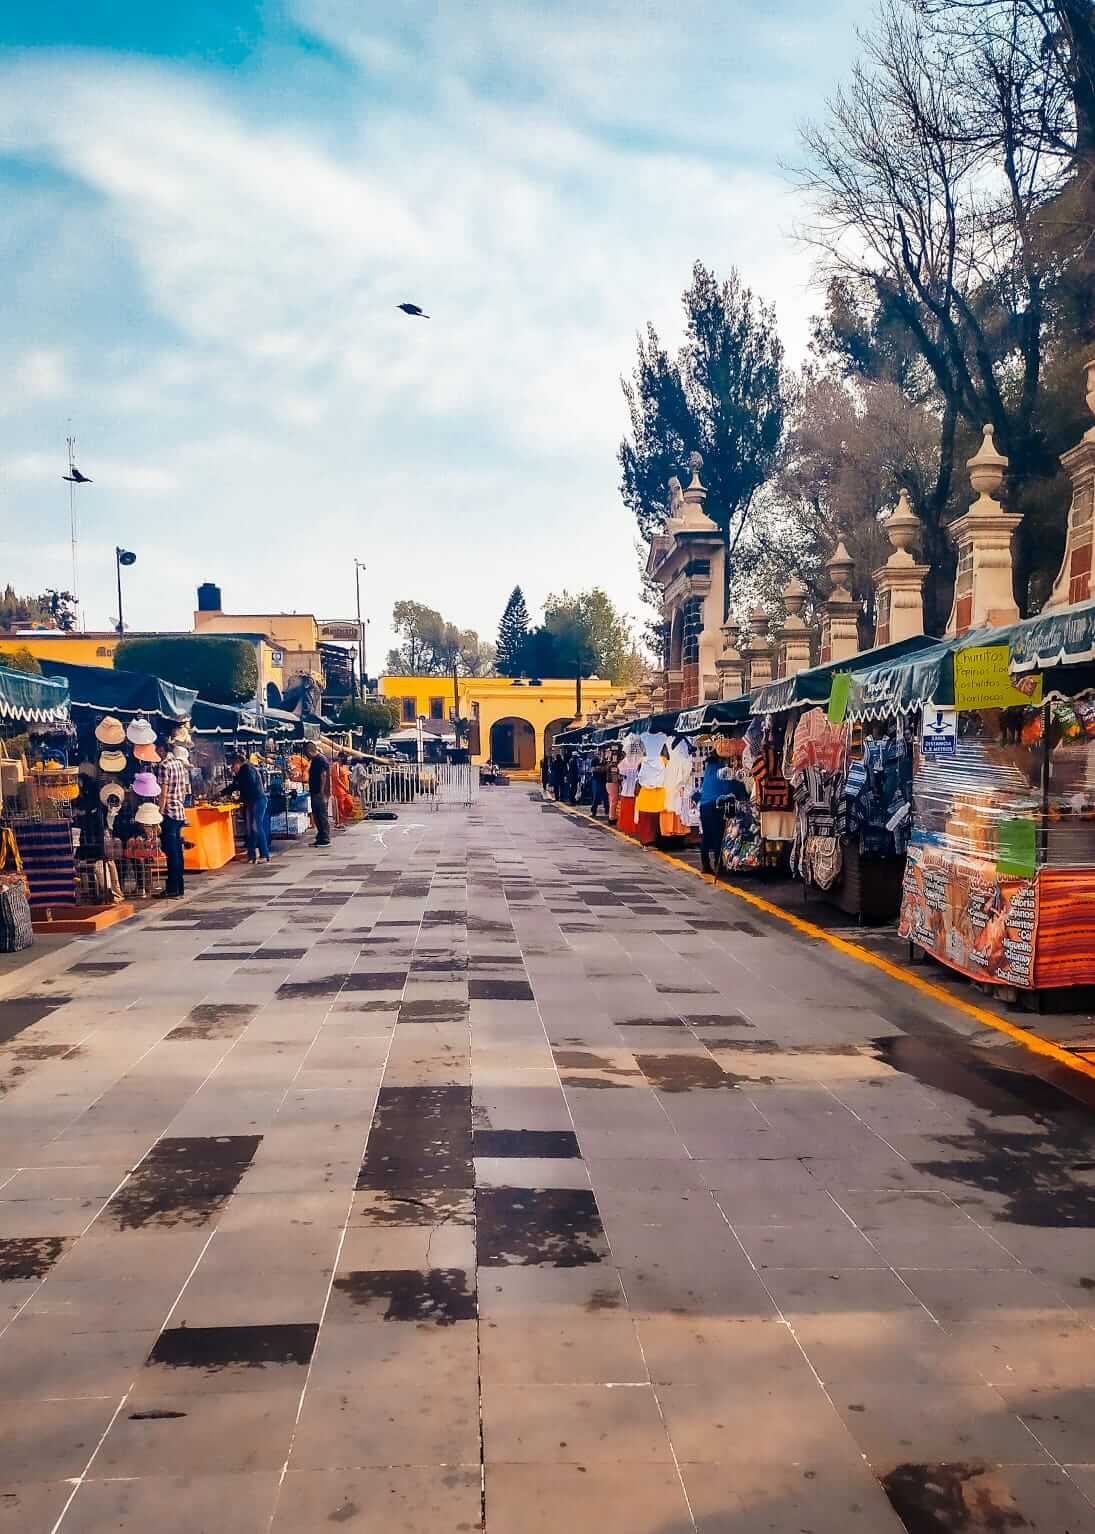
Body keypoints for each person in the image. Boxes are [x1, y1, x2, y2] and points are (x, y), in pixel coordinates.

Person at [158, 746, 190, 898]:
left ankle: (172, 889)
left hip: (169, 813)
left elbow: (163, 793)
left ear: (161, 749)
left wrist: (159, 813)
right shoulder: (179, 764)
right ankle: (179, 887)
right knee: (177, 851)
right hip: (179, 812)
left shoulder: (164, 766)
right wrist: (179, 803)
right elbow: (184, 790)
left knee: (171, 853)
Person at [228, 748, 270, 863]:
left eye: (232, 766)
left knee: (256, 826)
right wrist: (222, 793)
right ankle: (251, 855)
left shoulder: (247, 769)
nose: (232, 769)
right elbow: (234, 786)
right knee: (250, 828)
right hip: (251, 801)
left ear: (237, 763)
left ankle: (264, 854)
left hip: (257, 800)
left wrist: (239, 796)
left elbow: (248, 786)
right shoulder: (242, 772)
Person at [694, 752, 733, 877]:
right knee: (718, 836)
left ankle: (705, 865)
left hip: (704, 806)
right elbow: (726, 789)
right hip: (715, 805)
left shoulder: (708, 770)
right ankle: (718, 864)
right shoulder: (721, 769)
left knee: (707, 835)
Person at [304, 741, 332, 846]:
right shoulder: (316, 760)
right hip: (316, 792)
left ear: (309, 750)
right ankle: (320, 837)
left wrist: (322, 791)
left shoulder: (320, 760)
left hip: (319, 793)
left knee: (321, 815)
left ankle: (324, 838)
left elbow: (323, 775)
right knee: (317, 815)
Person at [589, 754, 610, 819]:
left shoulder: (606, 760)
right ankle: (594, 811)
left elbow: (607, 768)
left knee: (605, 796)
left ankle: (607, 810)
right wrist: (602, 769)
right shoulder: (594, 760)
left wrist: (601, 769)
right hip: (596, 780)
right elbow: (592, 769)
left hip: (604, 781)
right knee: (596, 796)